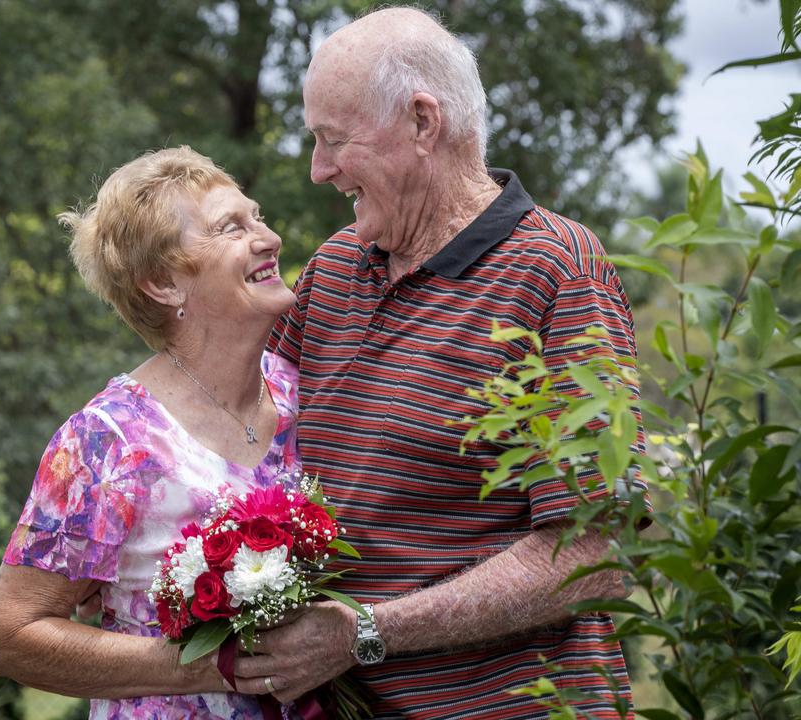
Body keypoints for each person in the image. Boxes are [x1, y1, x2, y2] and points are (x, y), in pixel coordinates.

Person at [235, 7, 648, 718]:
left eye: (334, 141)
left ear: (424, 123)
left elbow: (593, 557)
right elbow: (242, 442)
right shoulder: (333, 270)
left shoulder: (557, 271)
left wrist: (368, 633)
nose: (318, 170)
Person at [0, 146, 301, 718]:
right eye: (231, 227)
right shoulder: (109, 440)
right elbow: (13, 636)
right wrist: (209, 665)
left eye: (257, 216)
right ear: (164, 283)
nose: (268, 236)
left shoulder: (305, 396)